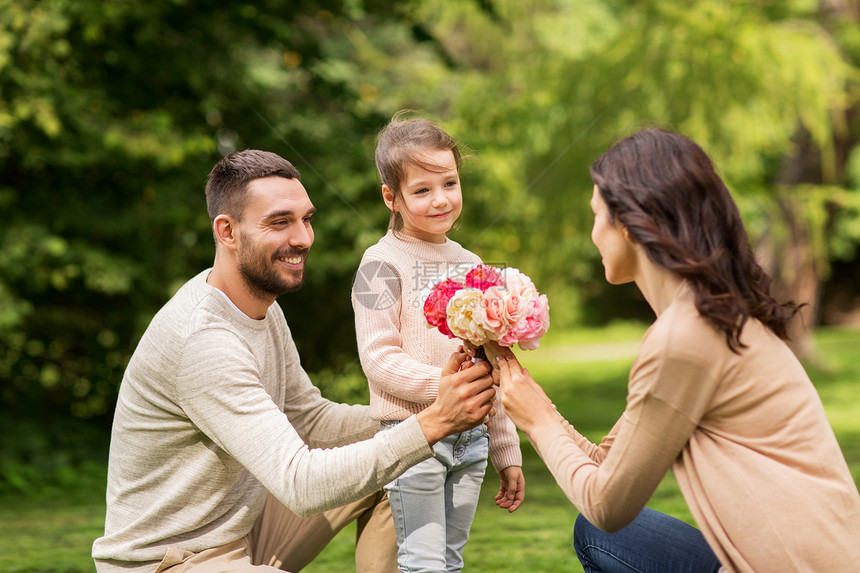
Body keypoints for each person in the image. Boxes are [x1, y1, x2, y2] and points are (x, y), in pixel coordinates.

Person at [91, 149, 498, 573]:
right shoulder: (204, 339)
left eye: (307, 219)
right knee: (405, 448)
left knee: (399, 465)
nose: (303, 238)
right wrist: (435, 423)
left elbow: (310, 422)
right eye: (280, 222)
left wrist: (423, 412)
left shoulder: (262, 311)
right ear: (227, 231)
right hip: (168, 562)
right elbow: (301, 484)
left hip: (242, 535)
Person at [496, 127, 860, 572]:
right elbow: (604, 466)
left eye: (596, 216)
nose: (593, 234)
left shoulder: (685, 337)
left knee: (602, 527)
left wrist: (537, 421)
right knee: (598, 534)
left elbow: (607, 505)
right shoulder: (710, 314)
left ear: (628, 222)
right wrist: (524, 391)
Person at [351, 113, 525, 572]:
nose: (440, 199)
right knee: (423, 561)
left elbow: (490, 359)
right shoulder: (379, 263)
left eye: (449, 183)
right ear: (392, 197)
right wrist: (445, 387)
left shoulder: (470, 262)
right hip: (414, 435)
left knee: (449, 561)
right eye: (422, 190)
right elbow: (378, 357)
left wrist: (506, 449)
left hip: (472, 440)